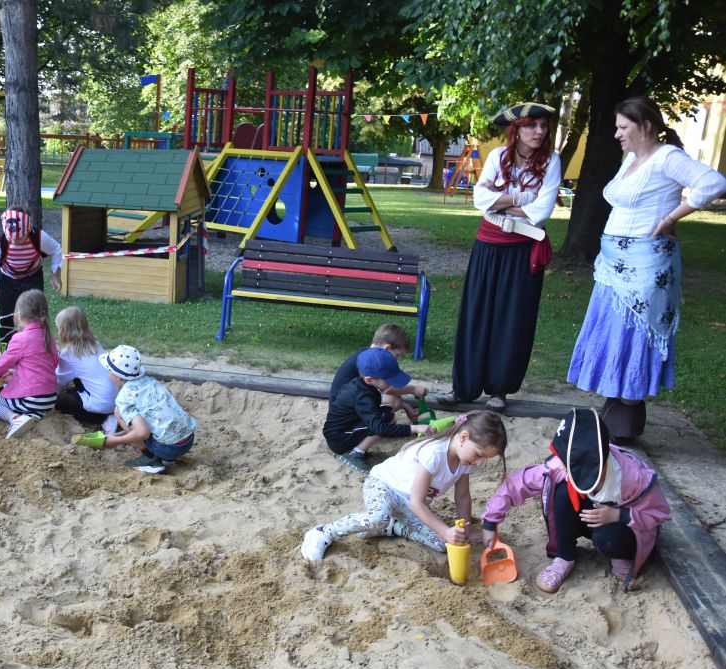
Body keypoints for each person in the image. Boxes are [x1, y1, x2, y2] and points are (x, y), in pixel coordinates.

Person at [567, 96, 726, 441]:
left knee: (633, 334)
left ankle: (626, 417)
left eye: (623, 127)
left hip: (646, 267)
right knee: (614, 332)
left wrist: (670, 218)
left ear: (646, 126)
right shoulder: (630, 159)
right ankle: (614, 407)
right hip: (613, 265)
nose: (617, 134)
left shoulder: (668, 157)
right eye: (617, 127)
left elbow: (714, 183)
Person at [434, 103, 562, 413]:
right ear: (516, 129)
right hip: (488, 245)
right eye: (532, 125)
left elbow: (541, 210)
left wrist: (500, 202)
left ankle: (499, 389)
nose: (539, 131)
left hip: (523, 248)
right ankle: (464, 387)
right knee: (476, 313)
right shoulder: (498, 157)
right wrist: (519, 198)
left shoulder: (552, 161)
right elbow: (480, 199)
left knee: (512, 318)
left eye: (543, 125)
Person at [482, 408, 672, 593]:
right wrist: (490, 521)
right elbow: (518, 483)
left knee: (608, 540)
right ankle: (564, 557)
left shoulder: (633, 478)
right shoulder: (562, 466)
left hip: (619, 528)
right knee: (562, 492)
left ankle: (622, 557)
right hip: (586, 519)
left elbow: (658, 514)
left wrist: (618, 515)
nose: (565, 469)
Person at [302, 412, 507, 561]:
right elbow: (417, 503)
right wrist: (446, 530)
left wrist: (464, 530)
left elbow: (462, 496)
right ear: (464, 437)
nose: (479, 463)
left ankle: (392, 527)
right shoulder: (434, 454)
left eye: (485, 459)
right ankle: (324, 532)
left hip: (407, 504)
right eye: (479, 454)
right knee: (377, 517)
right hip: (383, 486)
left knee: (444, 544)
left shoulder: (465, 462)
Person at [92, 344, 198, 475]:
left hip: (168, 448)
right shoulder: (151, 381)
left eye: (109, 371)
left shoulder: (124, 398)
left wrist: (115, 441)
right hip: (188, 439)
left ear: (117, 376)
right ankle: (167, 459)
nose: (108, 373)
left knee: (118, 412)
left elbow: (143, 433)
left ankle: (150, 459)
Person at [324, 348, 433, 473]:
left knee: (387, 414)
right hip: (339, 438)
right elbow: (380, 428)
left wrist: (405, 406)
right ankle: (355, 453)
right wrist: (415, 428)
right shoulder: (362, 396)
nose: (392, 383)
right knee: (384, 420)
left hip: (348, 427)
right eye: (388, 379)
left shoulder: (365, 386)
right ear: (369, 380)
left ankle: (359, 447)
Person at [0, 289, 61, 440]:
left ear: (19, 315)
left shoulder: (21, 338)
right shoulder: (48, 336)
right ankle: (33, 415)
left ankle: (15, 418)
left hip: (32, 399)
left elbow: (2, 364)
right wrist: (17, 373)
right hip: (50, 398)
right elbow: (53, 363)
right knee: (15, 393)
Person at [0, 206, 64, 344]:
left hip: (32, 277)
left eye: (19, 238)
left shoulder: (39, 237)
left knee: (36, 313)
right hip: (8, 279)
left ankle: (37, 344)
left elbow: (56, 249)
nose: (14, 241)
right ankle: (8, 347)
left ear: (28, 230)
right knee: (6, 315)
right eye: (10, 237)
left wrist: (56, 275)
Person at [328, 323, 429, 413]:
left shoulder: (368, 355)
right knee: (394, 402)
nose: (396, 359)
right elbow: (387, 389)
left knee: (394, 399)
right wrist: (413, 389)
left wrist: (405, 405)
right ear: (387, 348)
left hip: (346, 398)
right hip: (341, 406)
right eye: (397, 355)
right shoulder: (371, 362)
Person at [54, 305, 119, 434]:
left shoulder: (69, 354)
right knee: (72, 390)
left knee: (59, 401)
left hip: (102, 406)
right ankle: (108, 414)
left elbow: (58, 383)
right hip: (116, 400)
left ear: (64, 331)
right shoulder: (95, 343)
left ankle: (104, 419)